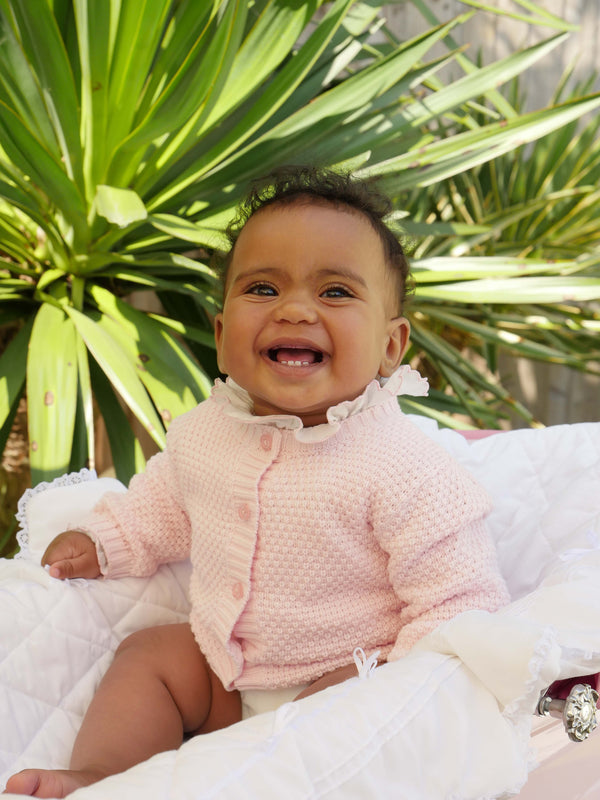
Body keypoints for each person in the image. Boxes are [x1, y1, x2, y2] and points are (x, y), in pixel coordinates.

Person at [5, 166, 509, 798]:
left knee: (351, 719)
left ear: (390, 346)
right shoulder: (204, 433)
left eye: (335, 293)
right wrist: (105, 541)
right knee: (149, 655)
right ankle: (105, 775)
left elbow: (460, 601)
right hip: (227, 674)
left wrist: (389, 677)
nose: (295, 309)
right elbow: (164, 506)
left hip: (344, 679)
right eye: (264, 288)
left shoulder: (401, 462)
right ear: (221, 336)